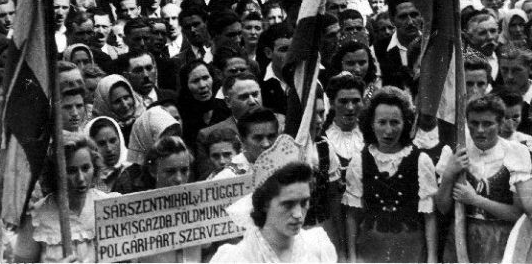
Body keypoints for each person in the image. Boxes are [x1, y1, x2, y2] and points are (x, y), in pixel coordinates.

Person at [344, 87, 438, 263]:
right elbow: (352, 215)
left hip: (410, 251)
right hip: (370, 251)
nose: (388, 131)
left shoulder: (421, 161)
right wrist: (352, 257)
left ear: (406, 123)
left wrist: (432, 258)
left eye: (395, 122)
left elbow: (429, 216)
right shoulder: (359, 161)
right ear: (371, 124)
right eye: (382, 122)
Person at [435, 94, 531, 263]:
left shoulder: (515, 153)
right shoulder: (456, 150)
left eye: (487, 124)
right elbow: (443, 208)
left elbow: (518, 213)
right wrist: (449, 173)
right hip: (461, 236)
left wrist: (475, 200)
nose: (480, 130)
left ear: (500, 124)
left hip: (501, 240)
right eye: (474, 123)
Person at [211, 134, 337, 262]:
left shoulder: (317, 245)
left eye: (304, 202)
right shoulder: (236, 257)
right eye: (288, 204)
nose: (298, 214)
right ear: (265, 203)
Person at [14, 133, 119, 262]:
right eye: (71, 171)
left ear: (94, 167)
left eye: (85, 168)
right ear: (55, 173)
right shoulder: (36, 217)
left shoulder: (110, 206)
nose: (80, 178)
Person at [177, 60, 228, 151]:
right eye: (195, 81)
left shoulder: (226, 107)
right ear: (186, 86)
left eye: (205, 78)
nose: (202, 85)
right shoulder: (181, 114)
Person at [92, 74, 144, 146]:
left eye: (126, 97)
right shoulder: (100, 134)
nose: (125, 105)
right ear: (106, 106)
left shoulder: (147, 119)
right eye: (117, 101)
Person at [85, 116, 129, 192]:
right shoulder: (84, 177)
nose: (109, 149)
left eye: (113, 141)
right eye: (101, 143)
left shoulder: (135, 171)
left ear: (120, 140)